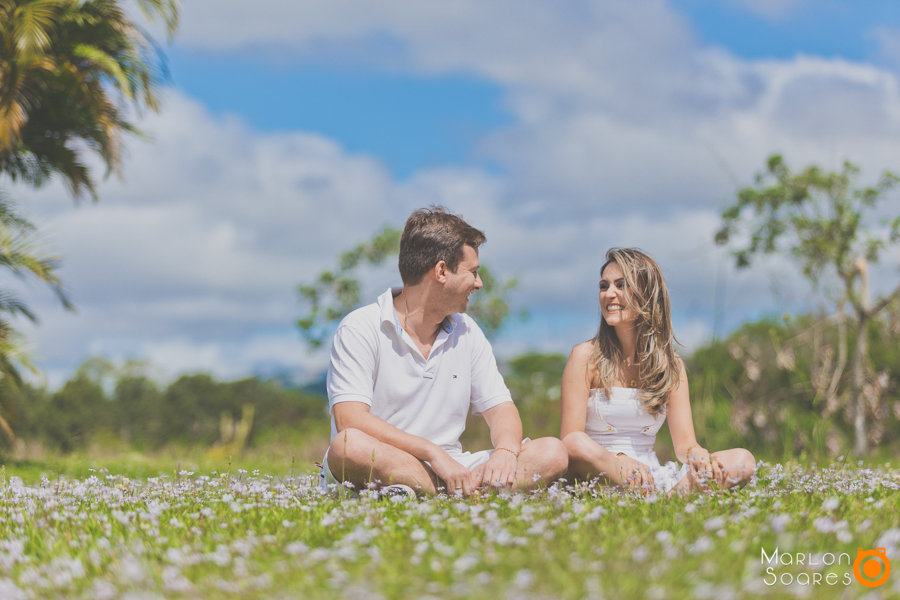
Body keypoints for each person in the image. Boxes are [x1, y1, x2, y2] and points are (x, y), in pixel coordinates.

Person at [322, 206, 567, 496]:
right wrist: (432, 453)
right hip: (391, 460)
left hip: (457, 466)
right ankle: (458, 494)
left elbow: (501, 408)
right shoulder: (360, 327)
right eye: (473, 273)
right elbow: (350, 420)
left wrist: (506, 451)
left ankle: (429, 493)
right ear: (441, 271)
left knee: (552, 452)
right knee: (348, 445)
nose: (479, 283)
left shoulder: (468, 331)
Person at [560, 248, 755, 493]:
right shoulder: (585, 356)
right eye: (604, 286)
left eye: (621, 285)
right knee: (577, 442)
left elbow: (685, 443)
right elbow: (569, 441)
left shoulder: (671, 365)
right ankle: (657, 498)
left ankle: (668, 498)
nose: (609, 294)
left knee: (742, 459)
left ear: (647, 294)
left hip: (653, 476)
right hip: (601, 473)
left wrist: (697, 454)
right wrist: (618, 459)